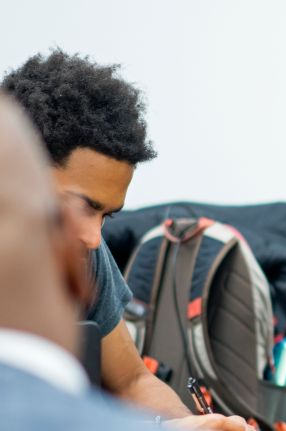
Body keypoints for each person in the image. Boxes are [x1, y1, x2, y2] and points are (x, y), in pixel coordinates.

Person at [1, 51, 254, 430]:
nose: (92, 237)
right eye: (83, 207)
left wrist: (192, 426)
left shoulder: (86, 253)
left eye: (107, 215)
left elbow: (131, 381)